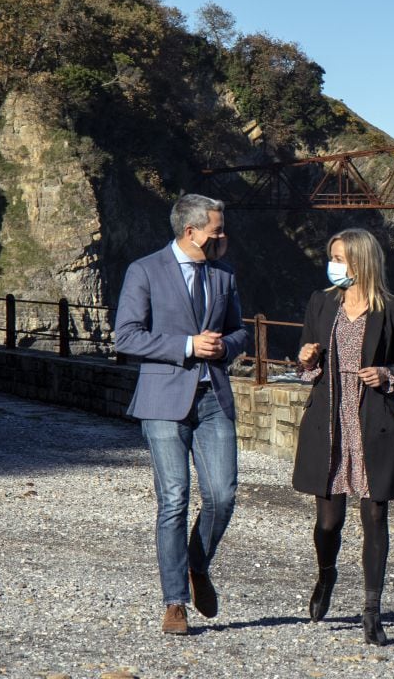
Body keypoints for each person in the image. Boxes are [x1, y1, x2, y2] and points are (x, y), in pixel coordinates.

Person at [114, 193, 248, 636]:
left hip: (214, 400)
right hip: (164, 401)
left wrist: (224, 346)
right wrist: (188, 346)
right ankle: (174, 602)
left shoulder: (224, 273)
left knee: (222, 495)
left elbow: (239, 331)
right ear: (191, 232)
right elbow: (127, 337)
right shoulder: (145, 270)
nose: (223, 236)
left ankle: (196, 563)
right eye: (217, 230)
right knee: (173, 499)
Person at [292, 227, 394, 646]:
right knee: (329, 522)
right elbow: (306, 357)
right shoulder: (321, 301)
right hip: (329, 419)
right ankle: (326, 575)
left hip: (373, 420)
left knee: (375, 516)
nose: (335, 264)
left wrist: (387, 373)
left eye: (341, 257)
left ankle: (371, 612)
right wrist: (306, 357)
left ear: (362, 261)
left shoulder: (393, 308)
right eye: (333, 257)